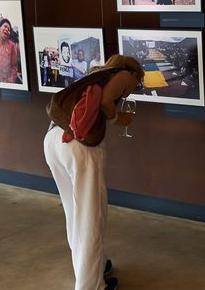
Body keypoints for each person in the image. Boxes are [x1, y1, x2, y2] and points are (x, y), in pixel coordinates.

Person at [44, 54, 145, 290]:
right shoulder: (119, 75)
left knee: (74, 213)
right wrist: (118, 118)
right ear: (131, 73)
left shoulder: (94, 74)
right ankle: (91, 286)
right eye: (137, 82)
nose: (132, 90)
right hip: (79, 149)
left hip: (53, 138)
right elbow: (106, 102)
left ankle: (96, 265)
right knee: (91, 218)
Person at [0, 18, 20, 83]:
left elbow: (14, 67)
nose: (7, 29)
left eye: (9, 29)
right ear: (0, 28)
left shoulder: (12, 46)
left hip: (7, 80)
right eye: (5, 26)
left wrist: (9, 81)